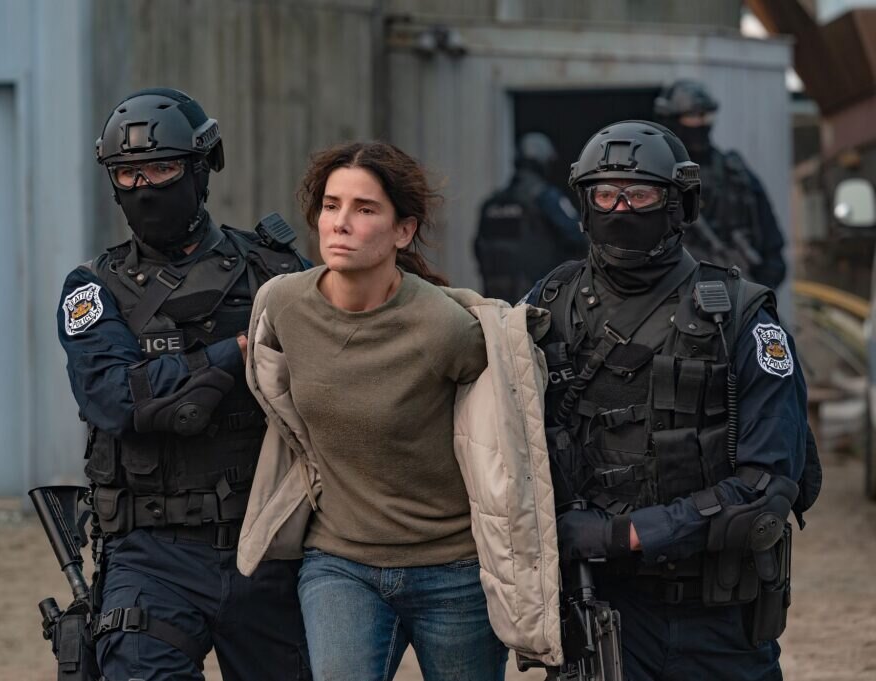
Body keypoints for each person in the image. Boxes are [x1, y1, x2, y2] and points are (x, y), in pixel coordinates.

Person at [237, 140, 565, 681]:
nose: (341, 223)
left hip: (453, 569)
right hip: (340, 560)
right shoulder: (282, 306)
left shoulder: (444, 329)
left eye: (365, 209)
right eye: (331, 205)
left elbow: (503, 417)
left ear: (403, 231)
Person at [523, 120, 809, 680]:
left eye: (641, 195)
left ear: (679, 204)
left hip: (717, 617)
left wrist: (623, 536)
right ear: (584, 204)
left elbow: (768, 482)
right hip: (597, 608)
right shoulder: (547, 305)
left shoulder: (740, 315)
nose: (621, 209)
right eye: (605, 194)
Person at [57, 88, 310, 681]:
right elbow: (116, 398)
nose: (145, 187)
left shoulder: (276, 273)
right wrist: (234, 353)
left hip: (266, 543)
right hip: (150, 555)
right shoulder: (92, 288)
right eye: (129, 174)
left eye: (162, 168)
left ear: (202, 167)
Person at [655, 79, 787, 288]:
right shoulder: (656, 175)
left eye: (705, 115)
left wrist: (759, 288)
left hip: (736, 287)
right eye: (692, 116)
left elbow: (772, 248)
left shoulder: (735, 173)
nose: (701, 123)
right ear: (672, 120)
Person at [474, 132, 584, 301]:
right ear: (544, 162)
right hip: (537, 302)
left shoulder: (492, 203)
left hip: (495, 304)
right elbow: (578, 236)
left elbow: (478, 248)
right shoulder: (546, 197)